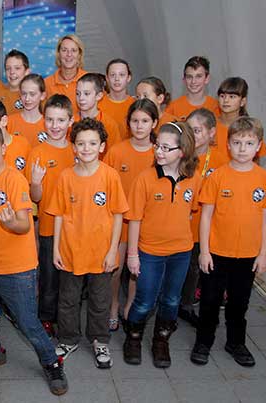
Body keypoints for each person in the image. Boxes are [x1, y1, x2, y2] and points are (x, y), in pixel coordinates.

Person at [0, 122, 68, 396]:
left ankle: (52, 363)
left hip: (18, 270)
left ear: (3, 148)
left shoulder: (15, 180)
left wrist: (10, 223)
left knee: (28, 323)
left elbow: (24, 225)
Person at [191, 117, 266, 367]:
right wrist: (204, 251)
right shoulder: (217, 176)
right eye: (237, 142)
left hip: (248, 254)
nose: (242, 149)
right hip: (217, 253)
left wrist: (263, 254)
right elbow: (206, 216)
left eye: (249, 143)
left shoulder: (264, 178)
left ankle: (236, 342)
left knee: (239, 302)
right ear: (228, 144)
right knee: (210, 300)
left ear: (258, 146)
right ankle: (203, 342)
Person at [47, 118, 128, 369]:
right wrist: (56, 248)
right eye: (81, 143)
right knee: (68, 299)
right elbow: (59, 214)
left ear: (102, 146)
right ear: (73, 147)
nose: (86, 148)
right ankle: (68, 338)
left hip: (101, 253)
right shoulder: (65, 176)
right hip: (71, 251)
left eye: (92, 143)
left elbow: (118, 215)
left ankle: (99, 340)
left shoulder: (110, 176)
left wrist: (113, 250)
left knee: (100, 300)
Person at [123, 121, 201, 368]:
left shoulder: (193, 179)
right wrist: (132, 255)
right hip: (149, 252)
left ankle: (161, 340)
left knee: (171, 300)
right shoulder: (144, 179)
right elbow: (134, 219)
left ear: (183, 151)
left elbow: (190, 211)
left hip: (181, 252)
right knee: (145, 300)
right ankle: (133, 338)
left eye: (166, 148)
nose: (158, 151)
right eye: (157, 145)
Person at [104, 98, 159, 330]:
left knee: (138, 270)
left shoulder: (159, 153)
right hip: (120, 221)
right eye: (135, 121)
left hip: (147, 223)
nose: (139, 126)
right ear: (128, 123)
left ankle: (130, 306)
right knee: (115, 270)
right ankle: (113, 305)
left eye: (145, 121)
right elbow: (104, 184)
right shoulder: (117, 151)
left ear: (154, 123)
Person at [26, 94, 76, 336]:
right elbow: (35, 197)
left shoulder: (77, 150)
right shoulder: (37, 153)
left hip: (76, 227)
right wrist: (36, 182)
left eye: (61, 120)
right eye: (50, 120)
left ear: (71, 121)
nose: (55, 126)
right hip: (48, 227)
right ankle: (46, 318)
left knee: (72, 279)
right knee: (49, 278)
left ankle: (67, 319)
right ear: (43, 120)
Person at [178, 108, 229, 327]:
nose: (193, 135)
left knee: (199, 269)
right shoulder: (179, 156)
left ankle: (189, 305)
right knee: (181, 268)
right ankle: (175, 304)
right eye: (189, 130)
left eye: (197, 130)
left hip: (207, 227)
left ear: (211, 132)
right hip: (180, 225)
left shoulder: (222, 161)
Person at [214, 77, 266, 158]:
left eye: (232, 97)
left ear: (242, 102)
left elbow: (256, 161)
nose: (226, 100)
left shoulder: (250, 128)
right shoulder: (209, 125)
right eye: (222, 96)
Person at [75, 73, 122, 153]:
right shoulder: (70, 122)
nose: (81, 98)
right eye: (77, 93)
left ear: (99, 96)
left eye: (86, 94)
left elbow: (115, 154)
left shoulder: (109, 124)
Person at [165, 56, 219, 121]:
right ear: (184, 80)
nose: (193, 81)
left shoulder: (216, 107)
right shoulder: (173, 108)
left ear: (207, 79)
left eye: (198, 76)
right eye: (189, 77)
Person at [44, 34, 87, 115]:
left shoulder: (90, 81)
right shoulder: (46, 83)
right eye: (64, 50)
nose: (69, 54)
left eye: (73, 50)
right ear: (58, 54)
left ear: (79, 54)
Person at [6, 74, 47, 148]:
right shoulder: (9, 122)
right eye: (24, 93)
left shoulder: (49, 124)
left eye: (32, 94)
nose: (27, 98)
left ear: (42, 96)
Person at [98, 59, 135, 138]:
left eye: (121, 75)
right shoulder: (97, 104)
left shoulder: (135, 105)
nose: (117, 79)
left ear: (128, 78)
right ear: (107, 78)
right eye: (112, 75)